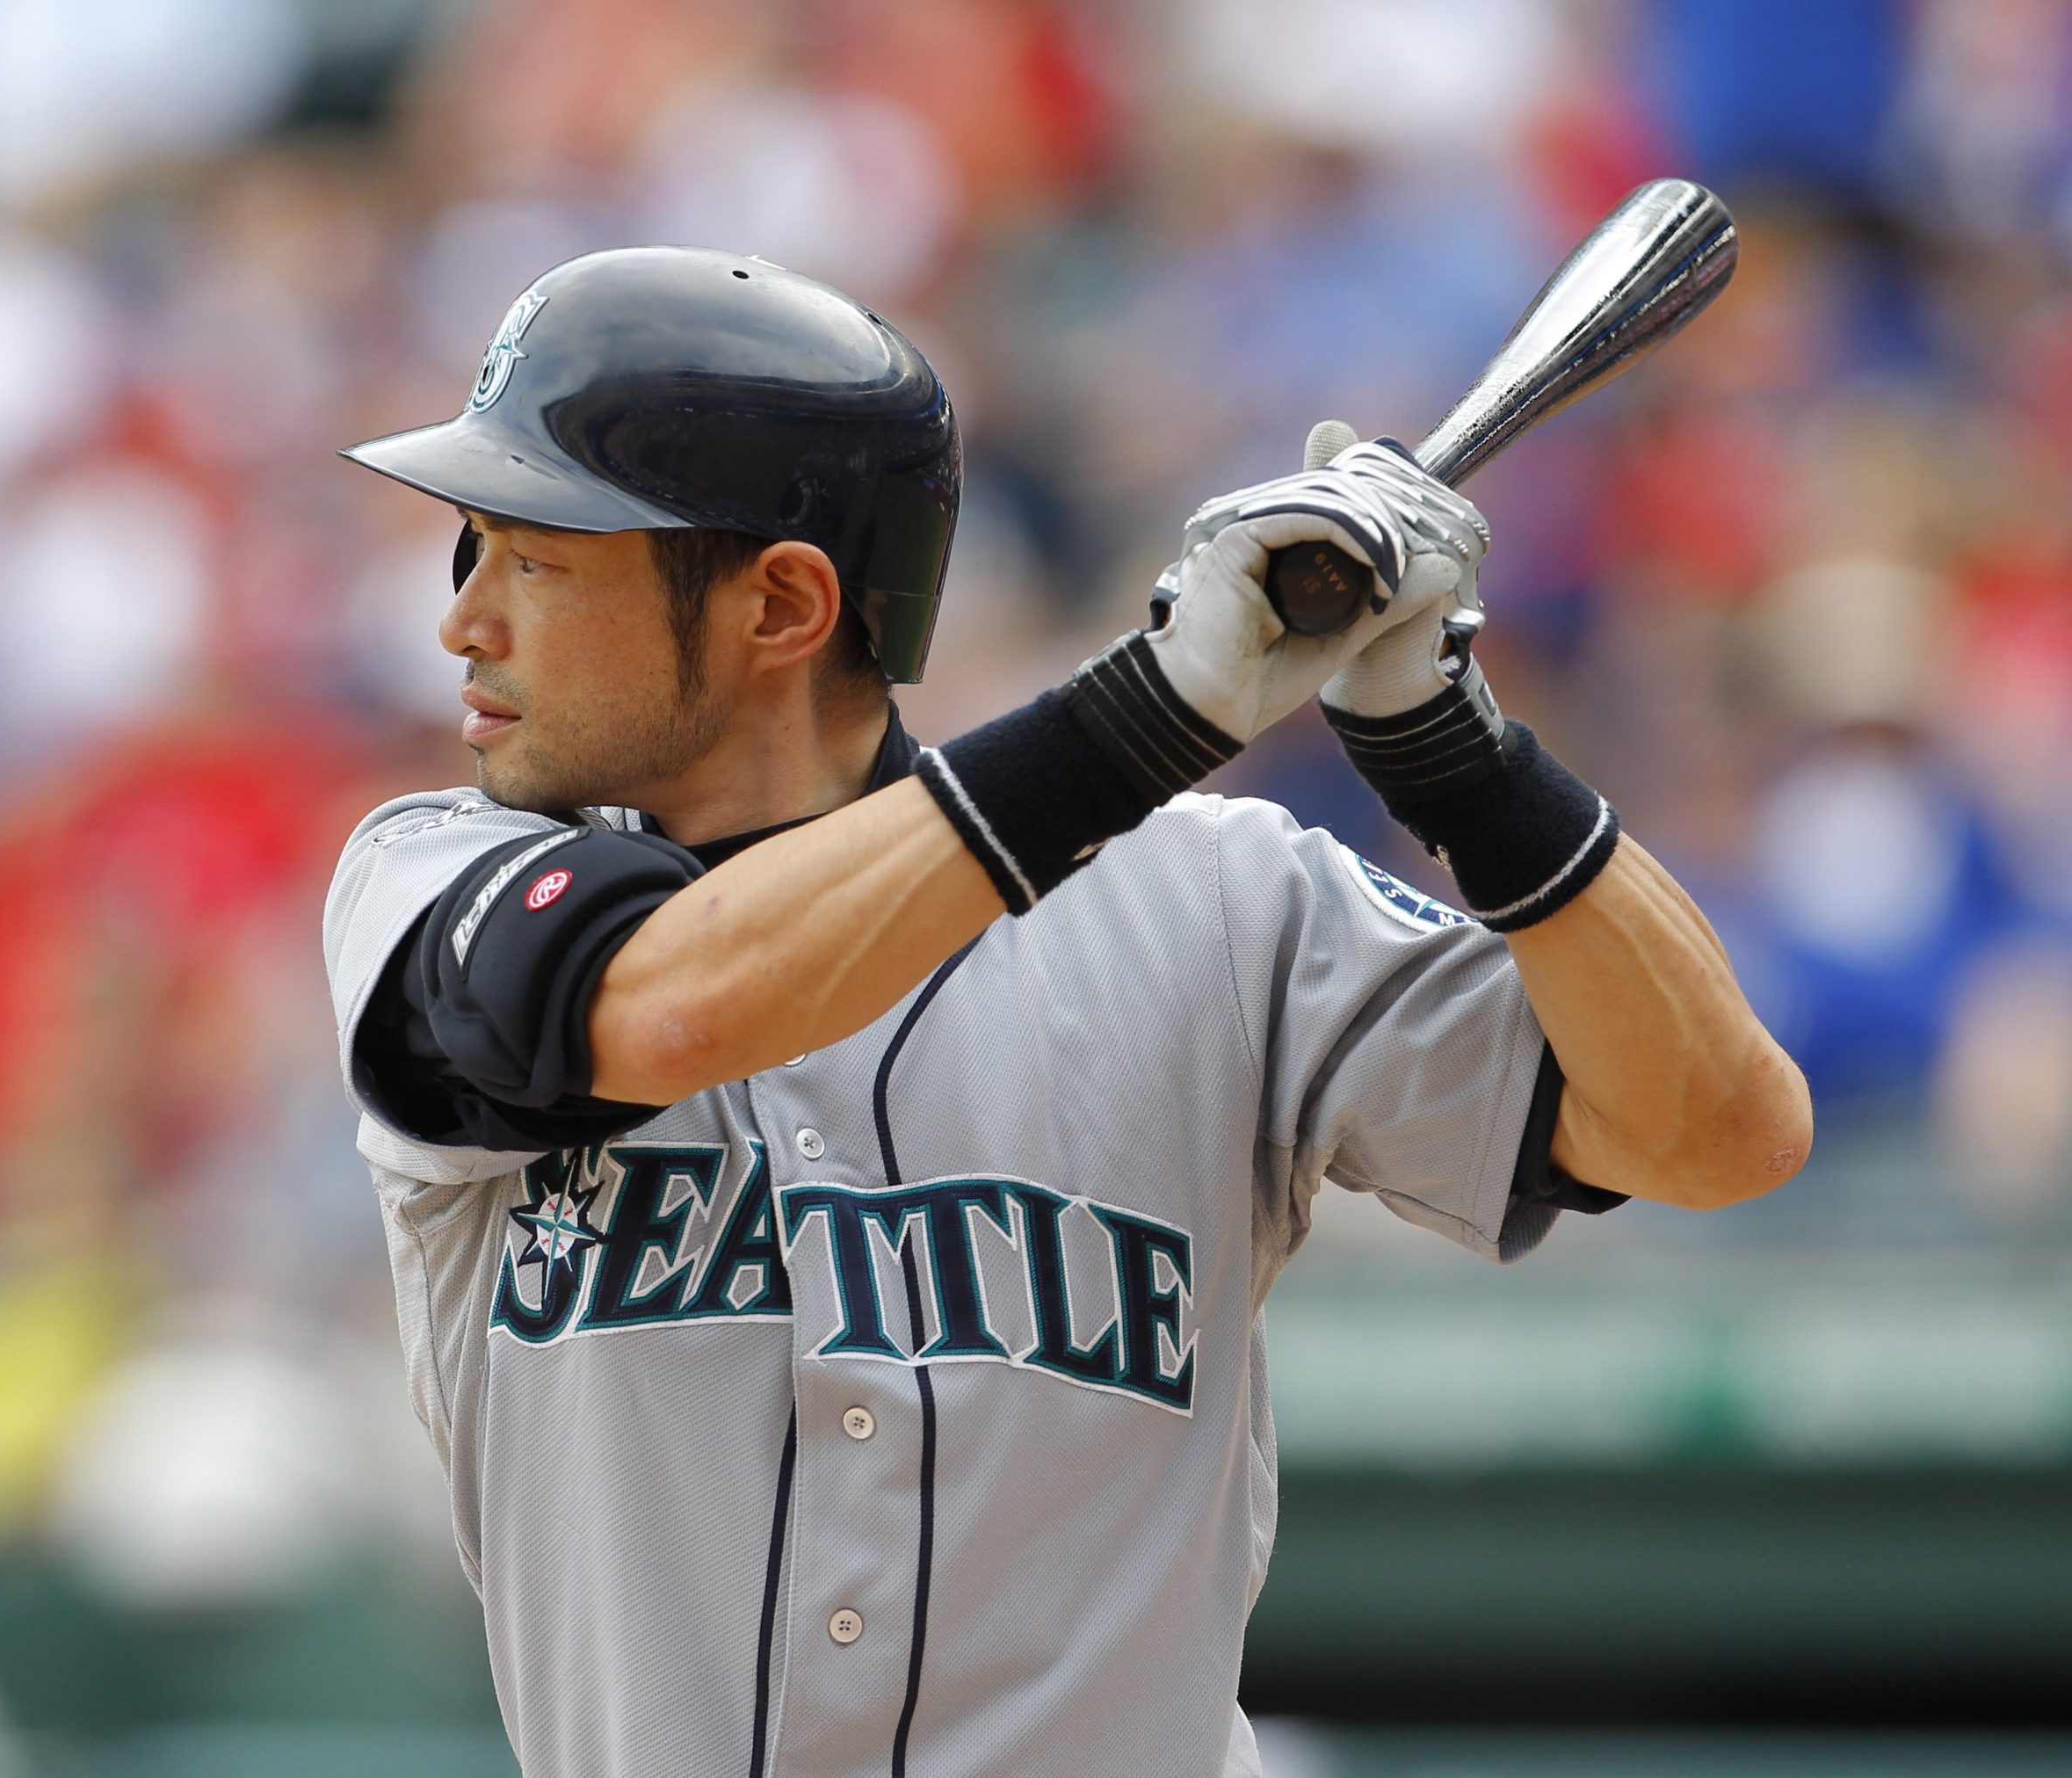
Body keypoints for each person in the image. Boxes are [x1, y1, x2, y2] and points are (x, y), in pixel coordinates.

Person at [322, 246, 1809, 1777]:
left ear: (780, 602)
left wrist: (1454, 751)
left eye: (537, 557)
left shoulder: (1223, 910)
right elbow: (673, 1011)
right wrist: (1153, 716)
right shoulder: (431, 876)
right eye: (473, 552)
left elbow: (1717, 1130)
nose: (466, 623)